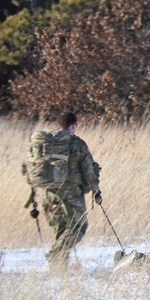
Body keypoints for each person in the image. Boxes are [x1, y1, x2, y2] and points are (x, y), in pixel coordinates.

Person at [38, 112, 102, 272]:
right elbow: (89, 171)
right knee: (79, 226)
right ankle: (56, 254)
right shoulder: (77, 143)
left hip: (48, 192)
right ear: (72, 125)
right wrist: (96, 191)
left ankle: (60, 269)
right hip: (71, 193)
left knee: (61, 229)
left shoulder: (47, 143)